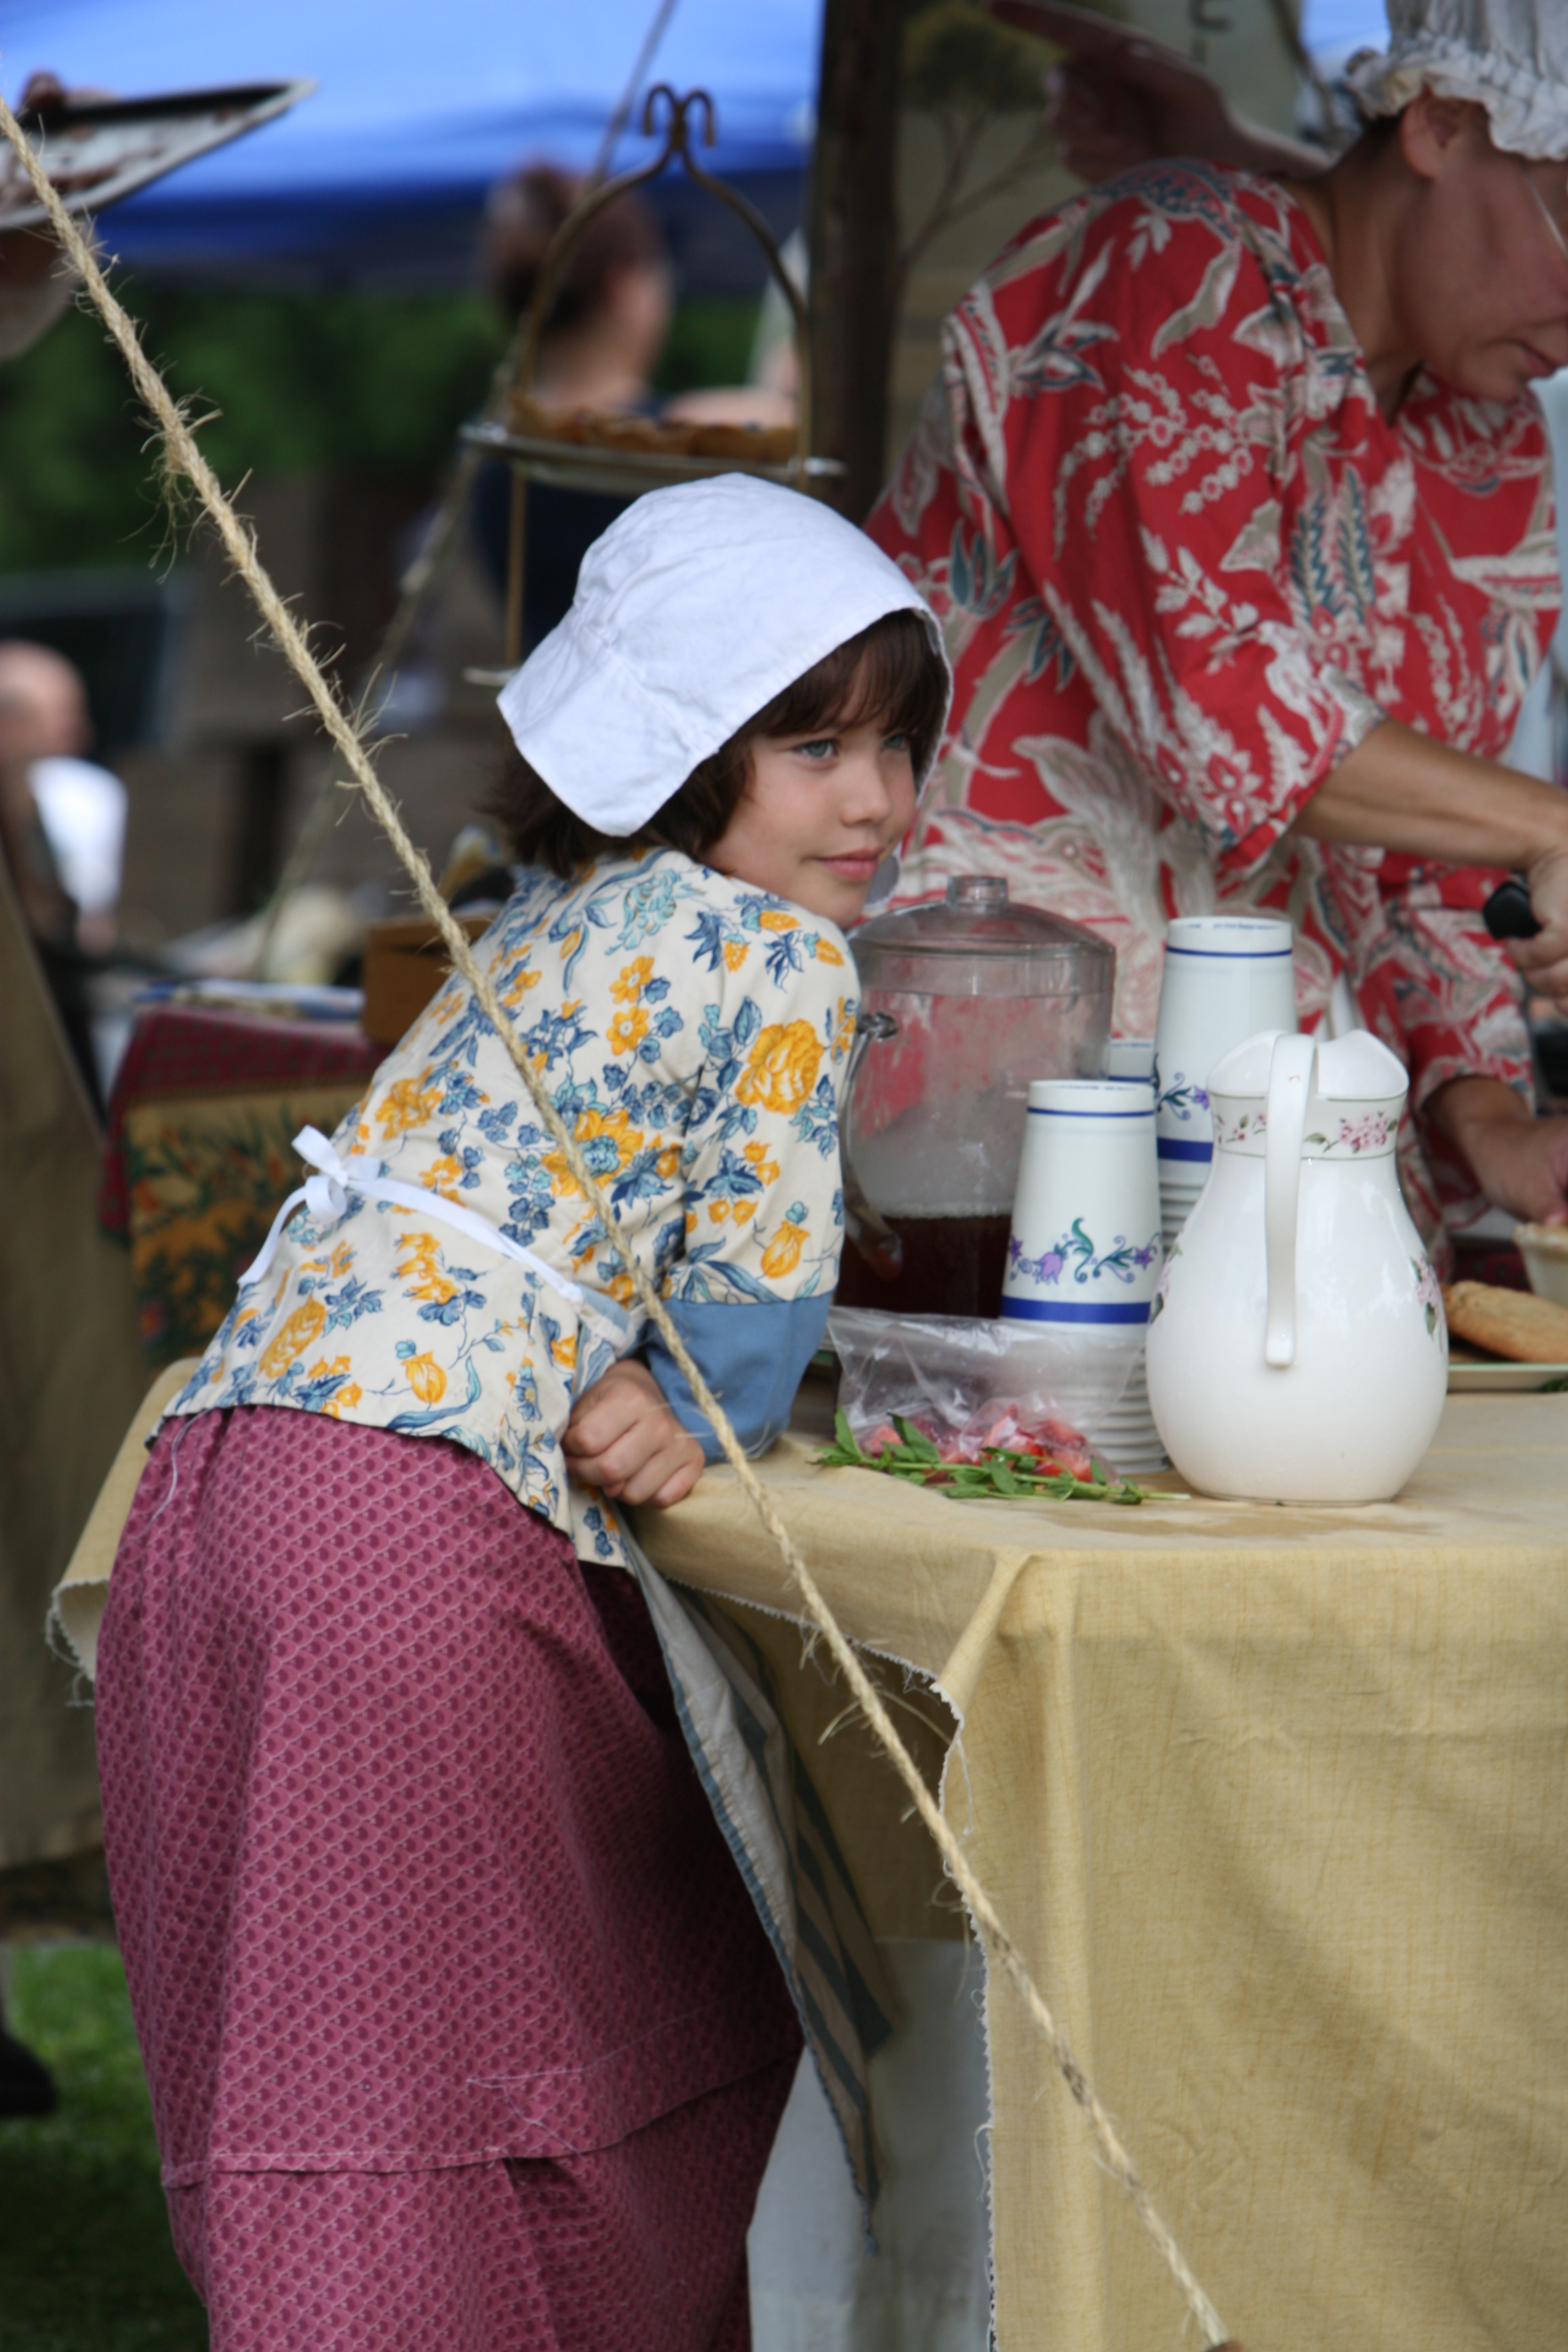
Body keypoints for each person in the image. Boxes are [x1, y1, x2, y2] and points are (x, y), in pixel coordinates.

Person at [93, 475, 950, 2351]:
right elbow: (746, 1284)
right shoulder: (780, 959)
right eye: (813, 747)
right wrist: (702, 1411)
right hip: (415, 1528)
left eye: (894, 741)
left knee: (314, 2045)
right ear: (679, 749)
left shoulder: (541, 919)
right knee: (533, 2028)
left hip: (220, 1476)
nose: (874, 800)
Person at [869, 0, 1568, 1260]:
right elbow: (1229, 712)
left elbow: (1418, 864)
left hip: (1296, 1197)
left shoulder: (1490, 439)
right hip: (981, 1134)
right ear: (1439, 123)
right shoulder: (1168, 261)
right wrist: (1550, 822)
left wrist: (1487, 1120)